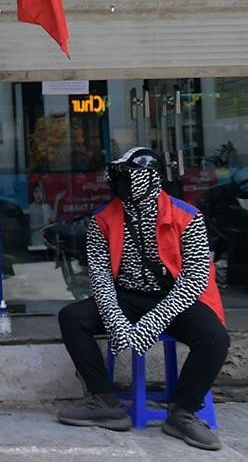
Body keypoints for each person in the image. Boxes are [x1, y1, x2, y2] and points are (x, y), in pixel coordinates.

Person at [56, 147, 228, 451]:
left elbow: (195, 279)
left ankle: (184, 412)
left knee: (215, 337)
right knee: (72, 317)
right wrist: (116, 320)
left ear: (152, 178)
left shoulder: (188, 216)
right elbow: (100, 277)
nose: (121, 183)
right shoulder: (102, 219)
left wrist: (152, 322)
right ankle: (104, 400)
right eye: (118, 176)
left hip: (176, 296)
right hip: (127, 295)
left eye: (129, 176)